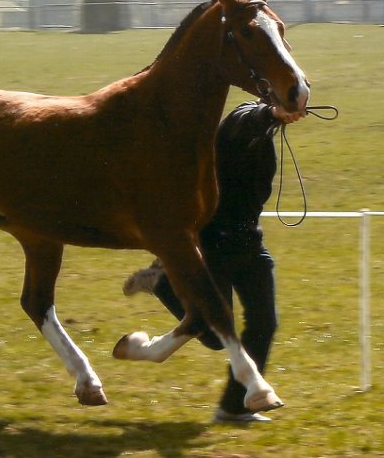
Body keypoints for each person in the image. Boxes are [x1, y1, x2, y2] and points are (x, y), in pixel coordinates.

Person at [123, 100, 305, 423]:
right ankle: (162, 280)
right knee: (212, 335)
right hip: (214, 245)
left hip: (250, 243)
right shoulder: (240, 119)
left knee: (264, 323)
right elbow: (246, 120)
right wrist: (273, 113)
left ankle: (233, 408)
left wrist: (279, 116)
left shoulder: (266, 137)